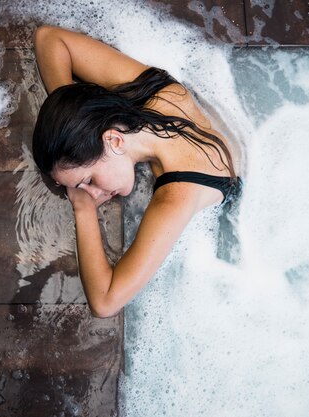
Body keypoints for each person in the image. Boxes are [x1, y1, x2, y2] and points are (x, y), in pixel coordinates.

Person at [32, 25, 241, 318]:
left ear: (114, 140)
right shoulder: (156, 94)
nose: (91, 192)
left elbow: (105, 302)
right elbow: (48, 38)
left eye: (88, 180)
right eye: (84, 187)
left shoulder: (177, 194)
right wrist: (72, 117)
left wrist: (83, 207)